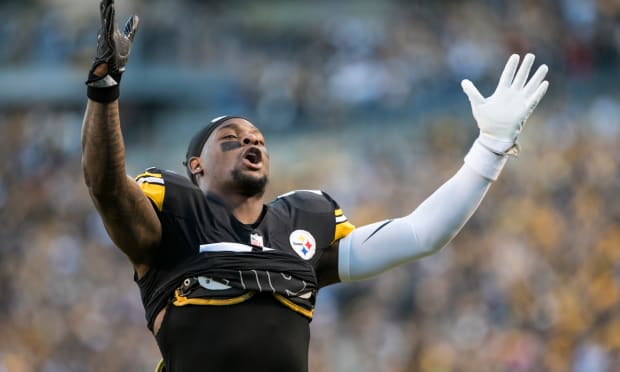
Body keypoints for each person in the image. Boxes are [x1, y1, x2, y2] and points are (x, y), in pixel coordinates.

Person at [81, 1, 549, 371]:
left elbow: (421, 234)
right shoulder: (175, 217)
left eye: (258, 139)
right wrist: (105, 91)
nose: (250, 141)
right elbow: (105, 186)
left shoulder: (304, 222)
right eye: (232, 139)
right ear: (196, 167)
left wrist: (489, 147)